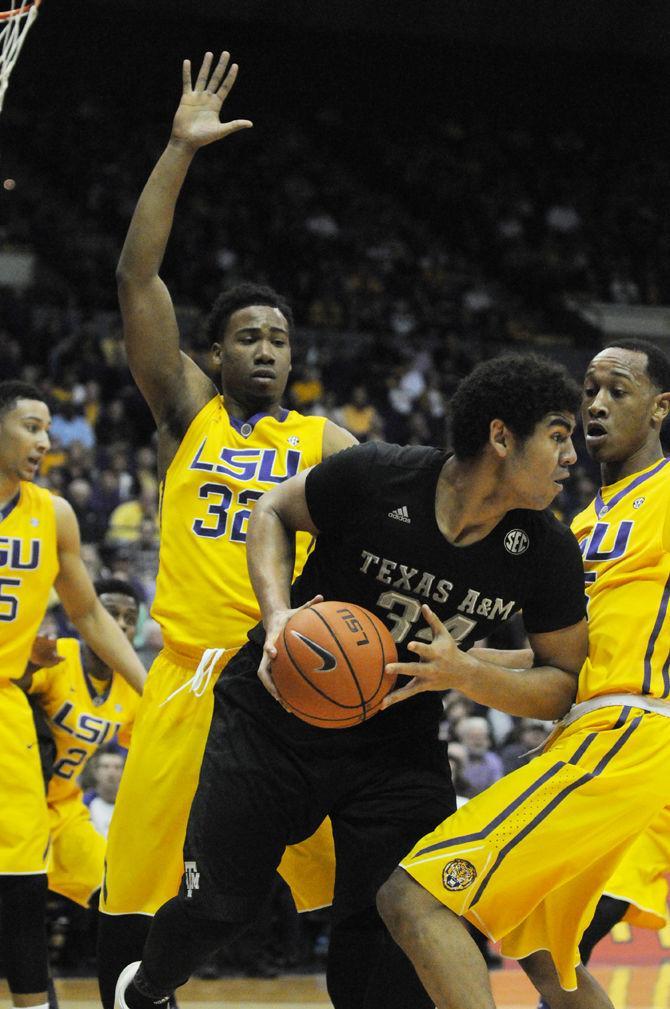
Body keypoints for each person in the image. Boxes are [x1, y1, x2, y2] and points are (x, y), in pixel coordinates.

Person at [115, 350, 589, 1009]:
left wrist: (465, 672)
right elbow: (273, 512)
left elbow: (561, 680)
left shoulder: (546, 552)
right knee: (221, 905)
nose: (573, 456)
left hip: (397, 740)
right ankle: (147, 986)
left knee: (399, 913)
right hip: (275, 714)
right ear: (502, 436)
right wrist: (278, 614)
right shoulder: (379, 475)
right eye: (559, 436)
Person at [96, 50, 356, 1007]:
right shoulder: (187, 413)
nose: (266, 350)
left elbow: (403, 505)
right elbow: (137, 275)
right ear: (213, 351)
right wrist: (177, 151)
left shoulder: (324, 438)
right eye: (248, 335)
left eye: (280, 339)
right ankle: (137, 989)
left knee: (343, 868)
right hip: (189, 673)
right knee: (136, 881)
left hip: (296, 675)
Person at [376, 338, 670, 1009]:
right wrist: (456, 663)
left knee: (412, 896)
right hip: (591, 729)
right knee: (544, 957)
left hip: (633, 732)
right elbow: (562, 659)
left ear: (660, 408)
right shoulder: (586, 522)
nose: (595, 403)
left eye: (616, 390)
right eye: (589, 389)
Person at [0, 380, 145, 1009]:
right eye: (31, 426)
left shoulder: (52, 513)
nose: (45, 441)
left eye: (48, 430)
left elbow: (87, 614)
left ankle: (36, 1003)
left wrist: (151, 684)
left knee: (21, 875)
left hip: (4, 702)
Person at [18, 579, 141, 910]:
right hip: (18, 799)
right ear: (87, 617)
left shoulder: (134, 686)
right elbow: (15, 686)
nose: (121, 625)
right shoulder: (60, 655)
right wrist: (28, 665)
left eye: (130, 619)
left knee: (113, 888)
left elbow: (149, 746)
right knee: (19, 891)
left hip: (63, 805)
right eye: (111, 613)